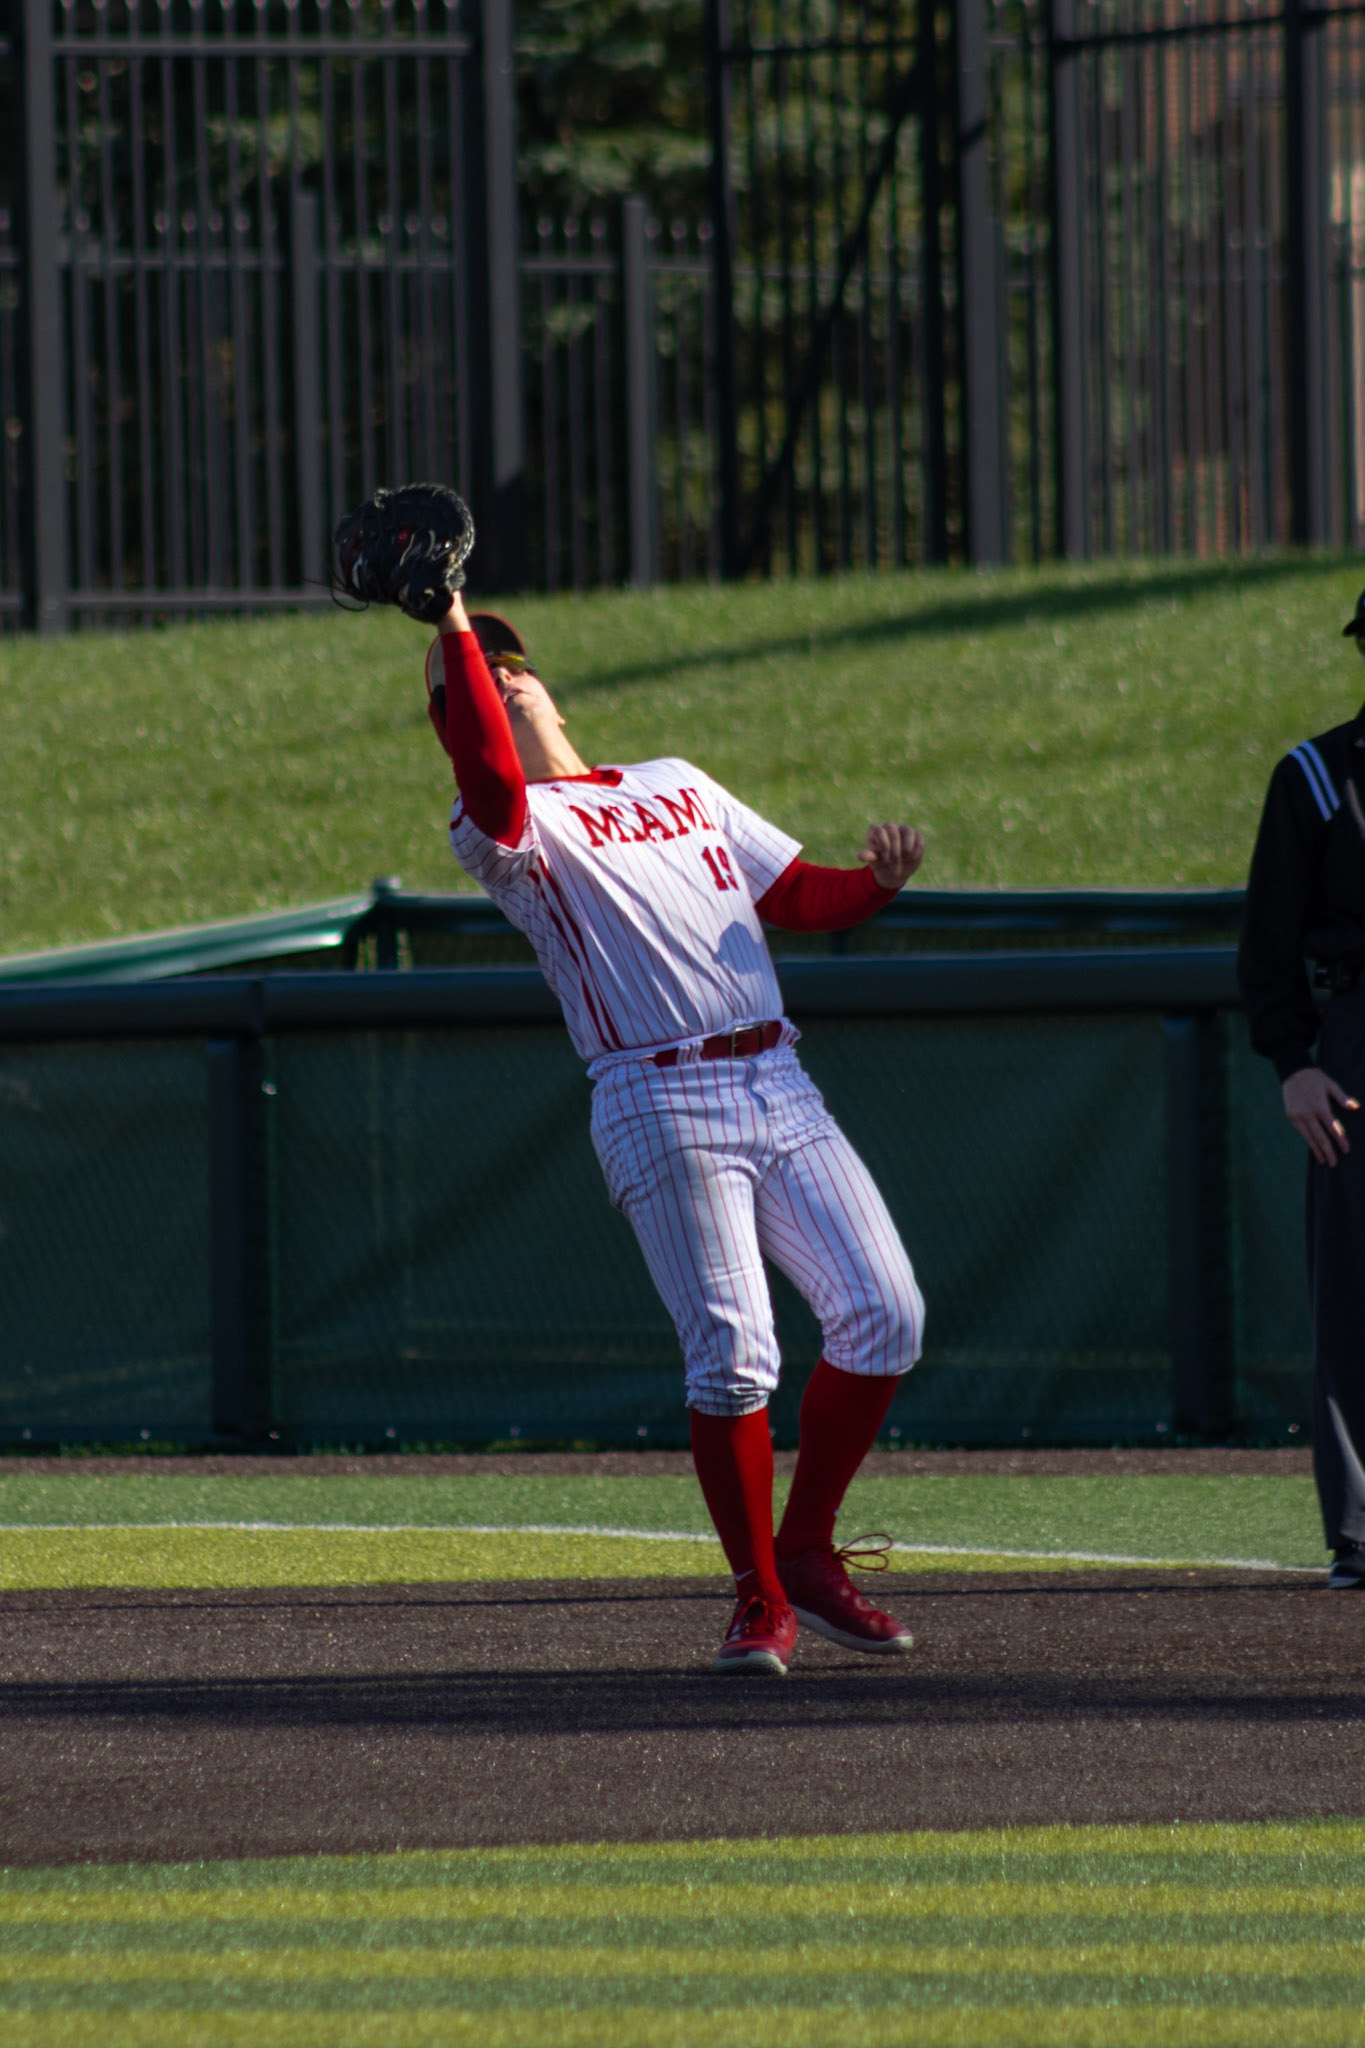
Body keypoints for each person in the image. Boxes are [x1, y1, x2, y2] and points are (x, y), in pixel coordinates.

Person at [423, 589, 927, 1672]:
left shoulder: (676, 782)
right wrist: (451, 622)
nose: (505, 677)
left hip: (778, 1076)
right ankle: (758, 1597)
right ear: (457, 724)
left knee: (887, 1313)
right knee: (737, 1358)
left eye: (516, 663)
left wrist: (875, 886)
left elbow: (791, 894)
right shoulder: (503, 829)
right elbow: (490, 770)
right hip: (658, 1098)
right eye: (479, 678)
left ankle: (805, 1551)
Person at [1238, 589, 1365, 1590]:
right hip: (1355, 1042)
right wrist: (1295, 1061)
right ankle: (1360, 1527)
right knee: (1353, 1287)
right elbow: (1268, 943)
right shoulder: (1317, 775)